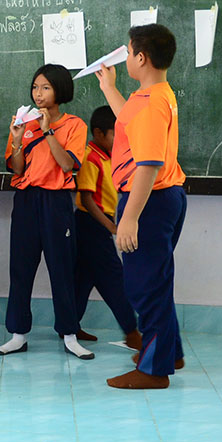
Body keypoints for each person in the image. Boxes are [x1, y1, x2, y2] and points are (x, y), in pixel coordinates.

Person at [97, 24, 187, 390]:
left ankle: (153, 370)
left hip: (147, 200)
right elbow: (129, 124)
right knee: (156, 280)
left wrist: (129, 218)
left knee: (145, 285)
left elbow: (148, 165)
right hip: (162, 197)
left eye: (129, 51)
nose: (127, 57)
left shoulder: (151, 104)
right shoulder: (153, 94)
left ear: (141, 57)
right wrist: (109, 88)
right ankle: (169, 352)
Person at [0, 65, 92, 359]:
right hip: (26, 200)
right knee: (20, 268)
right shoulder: (23, 121)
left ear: (59, 90)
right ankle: (17, 334)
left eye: (45, 87)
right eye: (35, 87)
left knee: (62, 268)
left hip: (57, 201)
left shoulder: (75, 125)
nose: (38, 93)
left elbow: (67, 165)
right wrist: (15, 138)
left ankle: (70, 333)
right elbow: (17, 168)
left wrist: (48, 130)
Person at [73, 106, 140, 350]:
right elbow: (88, 200)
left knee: (84, 277)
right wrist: (112, 227)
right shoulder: (90, 157)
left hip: (99, 223)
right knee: (114, 278)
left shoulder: (109, 156)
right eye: (115, 134)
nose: (120, 140)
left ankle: (69, 326)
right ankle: (132, 332)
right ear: (99, 133)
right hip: (90, 224)